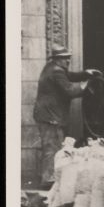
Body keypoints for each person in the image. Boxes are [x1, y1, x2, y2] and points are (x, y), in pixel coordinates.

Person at [33, 46, 100, 186]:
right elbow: (70, 91)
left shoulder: (51, 68)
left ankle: (47, 177)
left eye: (68, 57)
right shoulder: (56, 71)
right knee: (53, 148)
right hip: (51, 117)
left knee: (49, 147)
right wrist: (84, 85)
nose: (68, 60)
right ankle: (49, 180)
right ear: (58, 60)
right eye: (65, 58)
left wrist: (85, 73)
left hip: (46, 115)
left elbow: (69, 76)